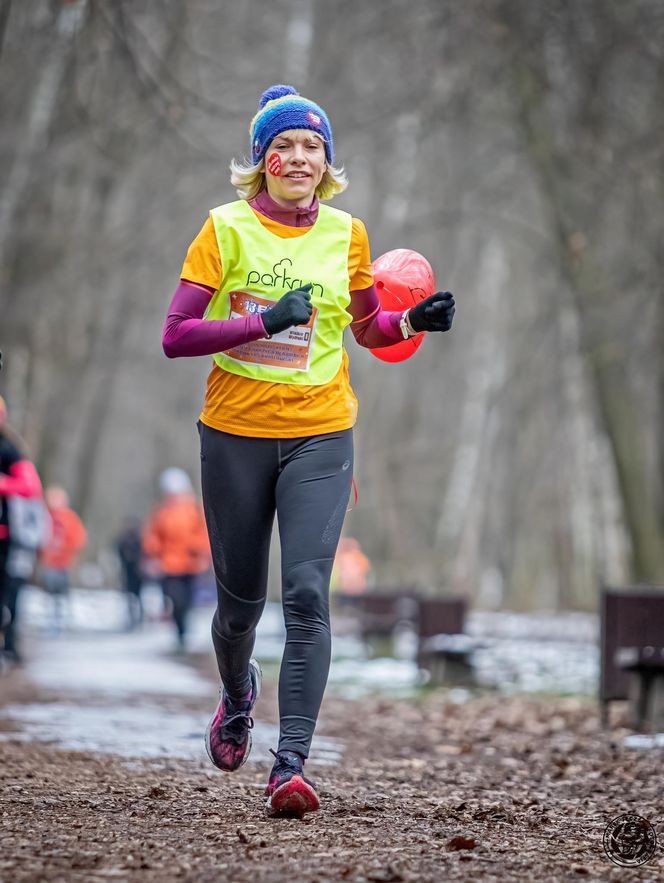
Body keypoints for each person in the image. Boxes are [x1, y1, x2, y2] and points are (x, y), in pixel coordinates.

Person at [162, 84, 455, 817]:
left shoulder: (346, 234)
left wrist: (413, 318)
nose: (298, 157)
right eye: (282, 146)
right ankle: (236, 697)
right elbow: (175, 334)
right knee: (239, 608)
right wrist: (258, 320)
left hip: (322, 429)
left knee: (305, 595)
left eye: (312, 147)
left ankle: (289, 762)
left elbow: (369, 328)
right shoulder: (224, 230)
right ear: (260, 161)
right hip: (234, 432)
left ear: (328, 162)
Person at [142, 468, 210, 649]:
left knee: (186, 600)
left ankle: (184, 631)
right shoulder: (161, 511)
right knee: (175, 598)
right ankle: (180, 631)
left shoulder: (195, 509)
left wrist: (197, 548)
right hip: (168, 565)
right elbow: (153, 535)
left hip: (190, 565)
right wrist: (153, 552)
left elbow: (204, 533)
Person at [0, 396, 45, 663]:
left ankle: (11, 644)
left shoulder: (9, 450)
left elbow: (31, 487)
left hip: (7, 537)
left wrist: (3, 485)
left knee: (9, 592)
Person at [39, 485, 87, 635]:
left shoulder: (70, 518)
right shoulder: (45, 516)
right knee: (51, 592)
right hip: (49, 562)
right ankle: (52, 621)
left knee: (63, 591)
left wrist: (67, 551)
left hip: (64, 562)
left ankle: (64, 619)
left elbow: (79, 539)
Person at [115, 516, 145, 630]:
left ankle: (138, 617)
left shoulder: (140, 540)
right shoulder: (123, 541)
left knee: (137, 596)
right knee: (129, 596)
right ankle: (132, 617)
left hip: (138, 573)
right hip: (127, 573)